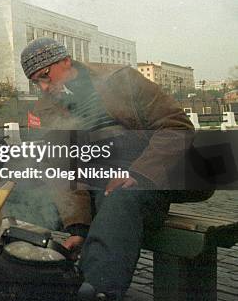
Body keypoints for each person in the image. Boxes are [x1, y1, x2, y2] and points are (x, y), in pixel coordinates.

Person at [20, 37, 211, 300]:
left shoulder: (120, 79)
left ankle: (98, 288)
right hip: (104, 182)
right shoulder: (45, 108)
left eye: (45, 75)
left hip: (152, 173)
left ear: (66, 61)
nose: (43, 86)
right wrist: (78, 229)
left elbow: (177, 126)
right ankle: (81, 285)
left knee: (121, 197)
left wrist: (137, 173)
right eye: (36, 81)